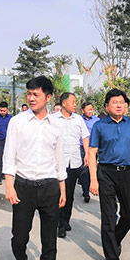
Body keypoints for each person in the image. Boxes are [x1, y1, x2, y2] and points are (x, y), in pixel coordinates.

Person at [3, 76, 66, 260]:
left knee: (50, 243)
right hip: (23, 187)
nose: (31, 98)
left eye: (36, 94)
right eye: (29, 93)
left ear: (48, 97)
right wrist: (9, 186)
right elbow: (9, 156)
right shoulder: (17, 122)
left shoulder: (57, 125)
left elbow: (60, 159)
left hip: (50, 187)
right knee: (19, 238)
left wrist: (62, 189)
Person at [87, 89, 130, 260]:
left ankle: (114, 240)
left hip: (128, 173)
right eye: (115, 102)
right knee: (108, 217)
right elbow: (92, 152)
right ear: (106, 106)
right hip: (106, 173)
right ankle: (112, 259)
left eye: (122, 102)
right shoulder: (99, 126)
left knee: (129, 215)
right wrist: (93, 179)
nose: (119, 105)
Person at [52, 92, 89, 239]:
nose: (75, 104)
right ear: (64, 103)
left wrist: (87, 153)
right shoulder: (53, 119)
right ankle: (59, 223)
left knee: (70, 194)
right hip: (58, 163)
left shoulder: (78, 119)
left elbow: (85, 137)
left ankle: (65, 220)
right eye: (73, 102)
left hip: (74, 162)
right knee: (59, 194)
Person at [78, 101, 100, 203]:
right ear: (83, 111)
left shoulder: (97, 120)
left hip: (94, 147)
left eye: (92, 109)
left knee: (92, 168)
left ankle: (93, 184)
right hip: (82, 148)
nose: (91, 111)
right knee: (84, 169)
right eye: (88, 109)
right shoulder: (79, 120)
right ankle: (86, 192)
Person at [0, 101, 12, 185]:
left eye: (4, 111)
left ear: (7, 110)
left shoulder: (11, 118)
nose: (2, 112)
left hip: (9, 141)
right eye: (1, 110)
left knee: (8, 158)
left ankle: (5, 173)